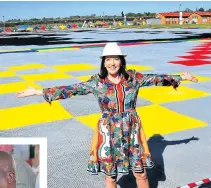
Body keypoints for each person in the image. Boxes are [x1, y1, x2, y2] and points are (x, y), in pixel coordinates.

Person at [17, 42, 198, 188]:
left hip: (131, 129)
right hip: (108, 131)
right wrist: (40, 91)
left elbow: (158, 79)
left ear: (121, 61)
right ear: (103, 62)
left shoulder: (134, 78)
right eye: (108, 59)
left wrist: (181, 77)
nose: (112, 63)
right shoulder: (97, 83)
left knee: (141, 173)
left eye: (116, 59)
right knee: (110, 176)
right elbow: (71, 89)